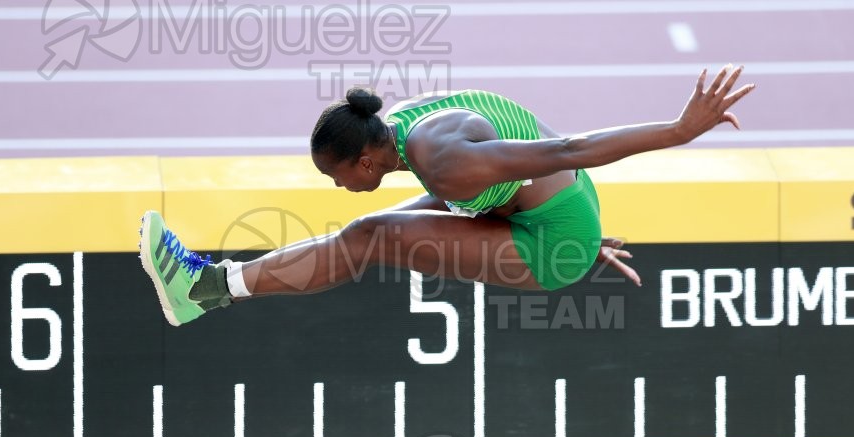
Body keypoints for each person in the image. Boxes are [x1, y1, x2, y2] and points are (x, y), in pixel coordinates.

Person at [140, 65, 754, 326]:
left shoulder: (447, 162)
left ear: (364, 159)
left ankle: (203, 291)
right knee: (365, 233)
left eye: (336, 176)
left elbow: (568, 149)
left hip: (556, 240)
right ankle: (209, 286)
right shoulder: (404, 130)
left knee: (368, 238)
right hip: (561, 210)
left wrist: (679, 131)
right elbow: (533, 161)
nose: (336, 186)